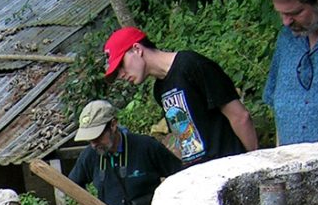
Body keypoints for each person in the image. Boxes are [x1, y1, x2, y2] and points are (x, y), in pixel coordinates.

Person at [104, 26, 258, 165]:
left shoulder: (191, 64)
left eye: (121, 66)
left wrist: (254, 163)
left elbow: (240, 117)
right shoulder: (159, 90)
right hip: (201, 176)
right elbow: (183, 137)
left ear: (137, 49)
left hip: (230, 165)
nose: (121, 75)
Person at [263, 0, 318, 146]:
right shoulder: (286, 39)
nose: (286, 22)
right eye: (281, 14)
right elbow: (279, 112)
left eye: (295, 13)